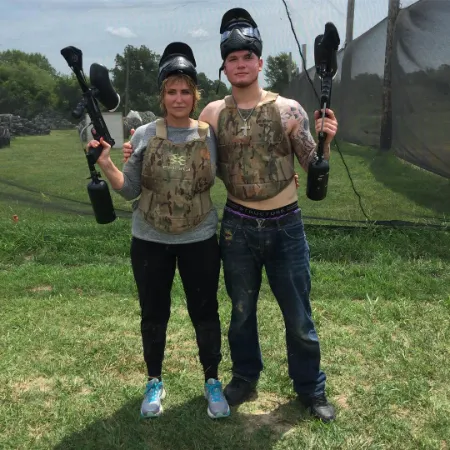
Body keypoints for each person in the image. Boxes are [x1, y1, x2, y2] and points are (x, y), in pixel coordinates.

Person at [123, 9, 338, 423]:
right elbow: (173, 137)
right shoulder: (211, 116)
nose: (240, 64)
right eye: (233, 59)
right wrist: (135, 151)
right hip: (237, 226)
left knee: (299, 315)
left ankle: (311, 389)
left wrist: (326, 140)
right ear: (224, 67)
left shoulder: (289, 110)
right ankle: (243, 377)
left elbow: (313, 168)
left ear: (260, 62)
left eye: (247, 57)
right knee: (241, 311)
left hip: (285, 225)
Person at [89, 42, 230, 420]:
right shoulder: (145, 134)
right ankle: (154, 380)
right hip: (150, 240)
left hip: (199, 239)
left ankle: (212, 380)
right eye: (172, 91)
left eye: (185, 91)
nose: (179, 98)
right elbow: (131, 189)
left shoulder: (208, 133)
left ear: (194, 94)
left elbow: (231, 174)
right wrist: (105, 163)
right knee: (154, 313)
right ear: (162, 94)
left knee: (205, 311)